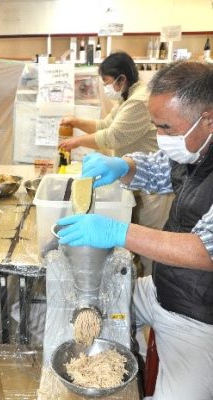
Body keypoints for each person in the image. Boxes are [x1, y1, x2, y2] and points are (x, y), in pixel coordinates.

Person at [57, 61, 213, 400]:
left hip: (200, 315)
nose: (161, 137)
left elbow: (205, 252)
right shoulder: (195, 146)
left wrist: (118, 232)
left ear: (208, 118)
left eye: (167, 128)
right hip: (162, 286)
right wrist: (123, 166)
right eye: (155, 126)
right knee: (100, 297)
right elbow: (159, 166)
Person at [59, 52, 174, 275]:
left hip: (153, 185)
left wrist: (76, 142)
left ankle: (148, 285)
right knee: (136, 240)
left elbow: (112, 136)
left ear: (122, 79)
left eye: (107, 83)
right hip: (134, 176)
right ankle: (138, 279)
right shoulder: (127, 98)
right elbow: (104, 124)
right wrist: (76, 122)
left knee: (148, 241)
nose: (106, 88)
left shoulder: (139, 101)